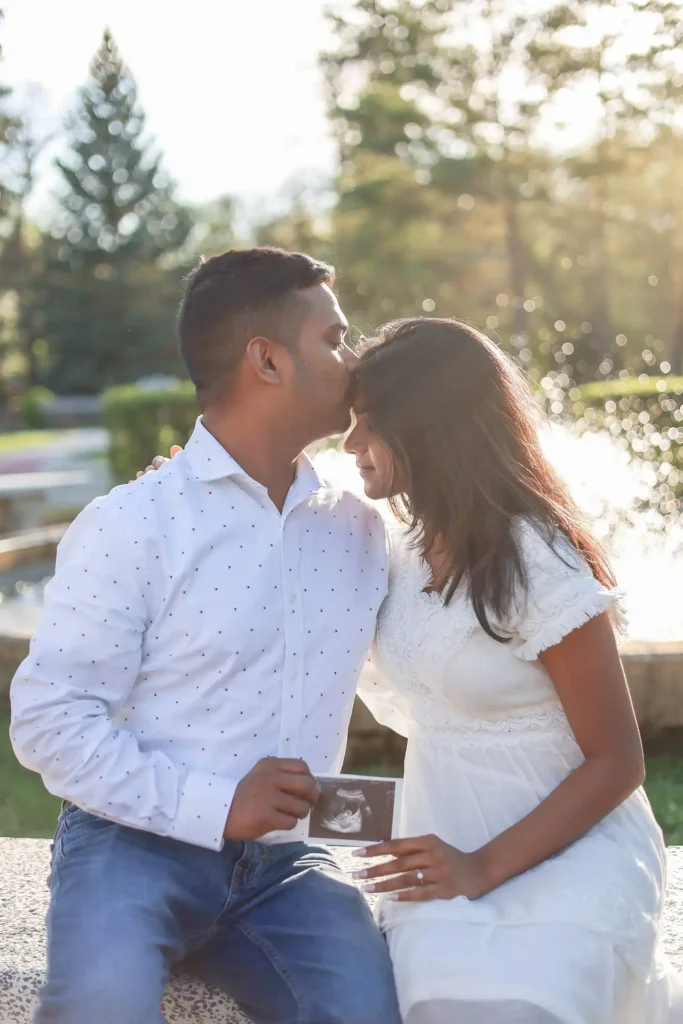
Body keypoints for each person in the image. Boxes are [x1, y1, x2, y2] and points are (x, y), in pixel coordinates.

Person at [9, 248, 402, 1024]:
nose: (353, 359)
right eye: (334, 337)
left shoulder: (361, 533)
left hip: (289, 870)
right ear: (267, 360)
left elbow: (421, 686)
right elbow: (50, 723)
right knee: (99, 1009)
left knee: (370, 1010)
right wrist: (215, 805)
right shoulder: (133, 523)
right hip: (128, 850)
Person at [342, 317, 678, 1023]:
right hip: (441, 842)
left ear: (428, 428)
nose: (348, 445)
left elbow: (616, 761)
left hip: (571, 850)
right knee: (433, 1002)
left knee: (529, 1004)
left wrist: (481, 866)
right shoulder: (394, 549)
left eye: (366, 424)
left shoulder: (538, 559)